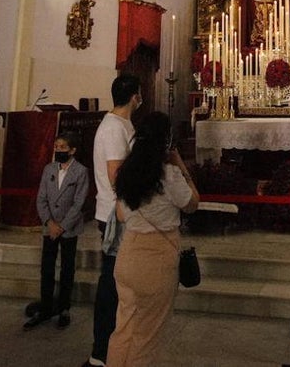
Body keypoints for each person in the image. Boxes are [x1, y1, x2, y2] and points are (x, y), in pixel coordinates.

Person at [106, 111, 199, 365]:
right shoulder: (168, 174)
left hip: (128, 254)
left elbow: (121, 215)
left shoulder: (126, 172)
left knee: (123, 330)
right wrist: (182, 167)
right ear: (165, 140)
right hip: (156, 259)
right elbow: (192, 203)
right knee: (147, 337)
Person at [83, 74, 142, 367]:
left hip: (122, 212)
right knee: (111, 283)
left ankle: (116, 345)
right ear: (134, 97)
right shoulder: (113, 128)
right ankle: (101, 350)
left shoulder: (122, 125)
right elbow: (116, 175)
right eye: (139, 94)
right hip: (115, 215)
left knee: (120, 281)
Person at [25, 130, 89, 330]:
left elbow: (79, 203)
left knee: (67, 267)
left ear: (72, 150)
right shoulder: (49, 169)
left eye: (63, 147)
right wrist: (49, 222)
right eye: (56, 147)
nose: (58, 150)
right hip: (50, 227)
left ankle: (64, 308)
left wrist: (62, 226)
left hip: (68, 228)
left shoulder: (81, 171)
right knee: (47, 267)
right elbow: (41, 198)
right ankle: (45, 306)